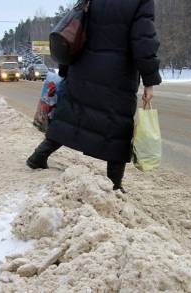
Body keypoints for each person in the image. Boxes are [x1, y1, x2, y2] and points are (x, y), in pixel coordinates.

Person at [27, 0, 161, 192]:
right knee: (117, 126)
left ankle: (38, 156)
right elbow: (144, 40)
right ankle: (115, 184)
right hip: (118, 74)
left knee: (70, 116)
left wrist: (66, 68)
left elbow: (74, 27)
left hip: (83, 66)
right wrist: (149, 79)